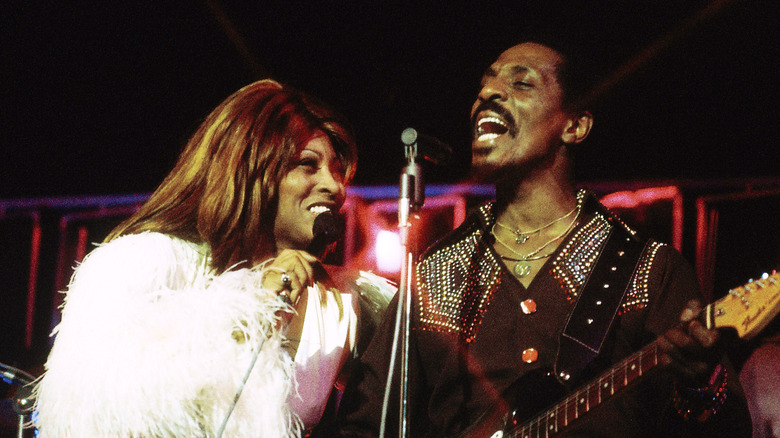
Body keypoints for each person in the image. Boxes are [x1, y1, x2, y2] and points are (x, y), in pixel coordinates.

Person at [335, 38, 752, 437]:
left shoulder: (647, 269)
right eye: (485, 84)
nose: (488, 93)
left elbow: (729, 428)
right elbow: (365, 423)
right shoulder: (433, 273)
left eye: (521, 83)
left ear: (575, 125)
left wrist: (702, 382)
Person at [33, 79, 394, 437]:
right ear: (249, 170)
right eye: (308, 165)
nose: (334, 186)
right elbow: (87, 407)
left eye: (337, 170)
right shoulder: (144, 262)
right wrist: (253, 307)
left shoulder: (339, 302)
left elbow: (412, 376)